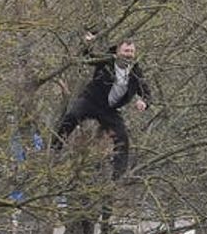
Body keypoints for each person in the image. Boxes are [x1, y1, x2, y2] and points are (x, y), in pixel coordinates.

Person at [54, 37, 151, 179]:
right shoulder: (106, 61)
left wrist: (144, 102)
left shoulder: (136, 71)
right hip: (91, 100)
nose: (128, 54)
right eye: (125, 51)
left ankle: (119, 174)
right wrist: (88, 43)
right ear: (118, 52)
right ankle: (55, 147)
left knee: (122, 137)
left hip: (109, 109)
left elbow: (146, 92)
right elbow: (88, 58)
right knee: (72, 116)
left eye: (131, 51)